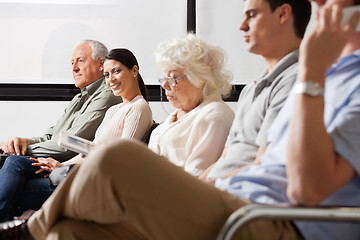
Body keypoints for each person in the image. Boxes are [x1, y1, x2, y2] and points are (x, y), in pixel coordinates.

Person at [3, 0, 360, 239]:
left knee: (114, 158)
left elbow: (299, 183)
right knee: (69, 231)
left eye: (176, 78)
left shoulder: (310, 81)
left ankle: (27, 228)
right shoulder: (289, 85)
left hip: (259, 216)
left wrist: (312, 73)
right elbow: (258, 158)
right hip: (227, 198)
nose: (167, 87)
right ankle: (33, 227)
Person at [0, 48, 153, 221]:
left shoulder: (139, 108)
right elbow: (91, 151)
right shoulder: (114, 110)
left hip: (94, 181)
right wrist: (60, 164)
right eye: (107, 75)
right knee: (15, 162)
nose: (111, 79)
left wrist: (70, 166)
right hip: (80, 170)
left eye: (117, 71)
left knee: (15, 184)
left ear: (134, 71)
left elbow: (120, 159)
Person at [200, 0, 312, 180]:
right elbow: (224, 158)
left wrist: (206, 187)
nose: (242, 26)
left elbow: (264, 165)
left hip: (238, 196)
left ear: (283, 14)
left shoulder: (296, 81)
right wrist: (196, 184)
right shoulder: (251, 89)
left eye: (251, 15)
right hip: (216, 190)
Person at [0, 40, 122, 161]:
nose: (74, 68)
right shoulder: (79, 98)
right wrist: (25, 142)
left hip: (72, 165)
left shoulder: (107, 95)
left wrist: (22, 149)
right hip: (56, 162)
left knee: (13, 162)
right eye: (72, 63)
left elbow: (70, 145)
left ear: (101, 64)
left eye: (80, 61)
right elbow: (52, 136)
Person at [148, 34, 235, 176]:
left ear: (200, 79)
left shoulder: (215, 116)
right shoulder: (177, 113)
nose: (164, 84)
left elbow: (196, 179)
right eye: (165, 77)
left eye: (174, 78)